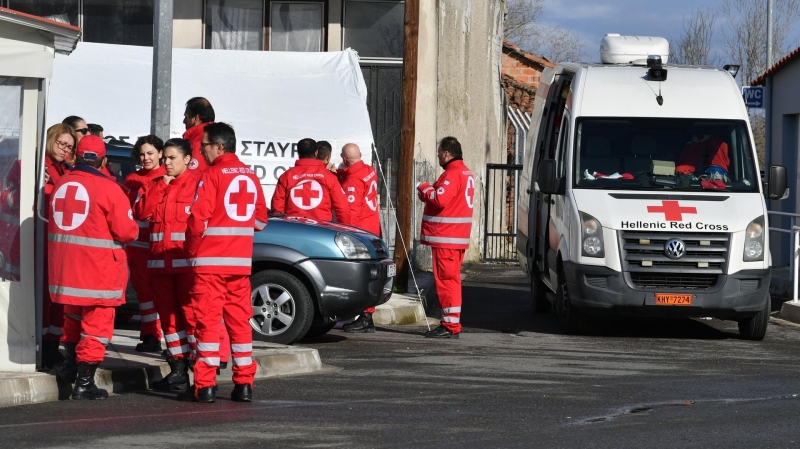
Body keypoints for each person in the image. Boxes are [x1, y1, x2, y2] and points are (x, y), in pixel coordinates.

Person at [48, 135, 138, 399]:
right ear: (103, 160)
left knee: (73, 322)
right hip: (98, 271)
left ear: (76, 155)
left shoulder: (62, 182)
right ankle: (84, 383)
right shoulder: (109, 189)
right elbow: (126, 231)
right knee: (97, 327)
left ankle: (72, 370)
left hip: (66, 270)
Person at [182, 122, 267, 403]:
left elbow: (196, 220)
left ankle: (205, 387)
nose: (201, 151)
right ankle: (244, 385)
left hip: (210, 264)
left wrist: (192, 252)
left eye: (204, 145)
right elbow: (259, 222)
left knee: (206, 323)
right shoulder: (251, 177)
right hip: (239, 264)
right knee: (240, 324)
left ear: (219, 146)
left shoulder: (212, 175)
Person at [134, 138, 201, 392]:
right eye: (165, 159)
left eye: (172, 158)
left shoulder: (198, 185)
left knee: (192, 319)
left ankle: (201, 370)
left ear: (187, 159)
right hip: (159, 264)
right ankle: (178, 370)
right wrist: (160, 187)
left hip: (187, 266)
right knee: (169, 322)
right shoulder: (155, 184)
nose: (167, 163)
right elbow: (142, 213)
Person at [416, 137, 475, 339]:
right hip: (453, 237)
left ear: (447, 153)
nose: (439, 156)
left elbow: (440, 199)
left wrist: (424, 188)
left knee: (446, 281)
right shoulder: (464, 172)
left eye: (440, 152)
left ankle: (450, 326)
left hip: (446, 237)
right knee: (451, 280)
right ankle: (451, 323)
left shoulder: (452, 174)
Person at [124, 136, 166, 353]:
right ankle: (150, 335)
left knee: (162, 292)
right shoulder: (132, 179)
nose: (146, 158)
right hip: (137, 243)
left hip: (159, 242)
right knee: (143, 292)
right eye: (142, 154)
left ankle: (168, 337)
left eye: (150, 153)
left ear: (160, 153)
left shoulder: (168, 177)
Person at [40, 124, 77, 368]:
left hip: (54, 244)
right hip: (37, 242)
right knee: (45, 300)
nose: (64, 149)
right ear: (51, 139)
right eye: (61, 143)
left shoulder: (63, 170)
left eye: (69, 146)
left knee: (55, 301)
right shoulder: (36, 165)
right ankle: (45, 350)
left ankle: (52, 346)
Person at [337, 143, 382, 333]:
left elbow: (350, 213)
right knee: (371, 273)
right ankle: (366, 315)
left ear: (344, 159)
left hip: (361, 231)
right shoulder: (369, 170)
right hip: (373, 227)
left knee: (363, 275)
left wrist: (346, 233)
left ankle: (365, 317)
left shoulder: (352, 181)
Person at [271, 138, 351, 223]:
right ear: (316, 153)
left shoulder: (286, 176)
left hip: (293, 228)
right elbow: (342, 207)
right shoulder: (329, 176)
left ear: (298, 153)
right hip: (321, 229)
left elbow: (277, 208)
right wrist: (346, 230)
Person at [182, 97, 215, 172]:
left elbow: (193, 176)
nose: (184, 121)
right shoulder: (223, 137)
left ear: (196, 118)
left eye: (186, 117)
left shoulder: (197, 143)